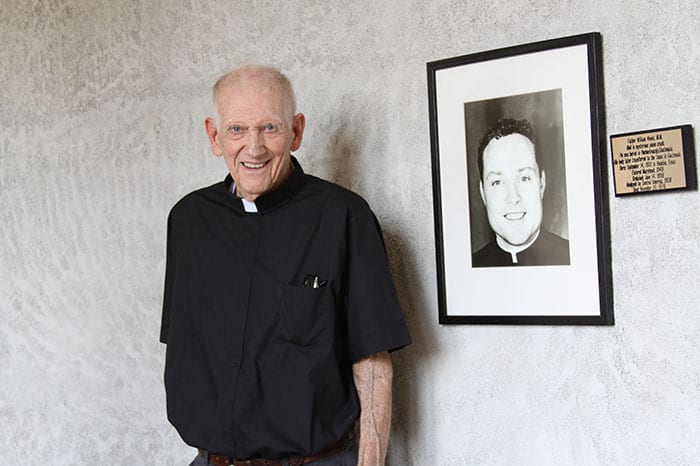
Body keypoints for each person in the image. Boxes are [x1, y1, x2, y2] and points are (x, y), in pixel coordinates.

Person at [160, 64, 411, 466]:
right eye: (237, 129)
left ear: (296, 131)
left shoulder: (344, 217)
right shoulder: (188, 221)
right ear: (214, 136)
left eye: (269, 128)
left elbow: (373, 363)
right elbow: (185, 349)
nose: (253, 147)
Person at [471, 117, 570, 267]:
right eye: (497, 182)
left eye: (524, 178)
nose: (513, 197)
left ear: (541, 183)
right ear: (483, 193)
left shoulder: (573, 257)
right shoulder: (469, 267)